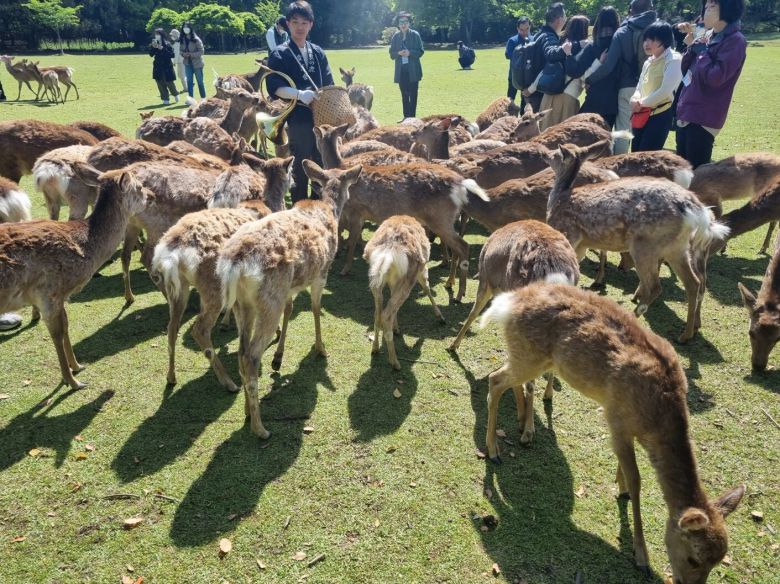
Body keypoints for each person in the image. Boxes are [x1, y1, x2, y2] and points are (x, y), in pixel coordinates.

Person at [266, 1, 334, 203]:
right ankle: (298, 203)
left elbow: (329, 83)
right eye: (295, 22)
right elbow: (274, 86)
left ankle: (318, 203)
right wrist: (299, 94)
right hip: (298, 117)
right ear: (287, 23)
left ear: (311, 24)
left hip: (321, 117)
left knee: (321, 162)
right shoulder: (280, 53)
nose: (300, 26)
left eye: (304, 22)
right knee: (301, 162)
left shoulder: (318, 52)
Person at [675, 0, 747, 168]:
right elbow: (686, 70)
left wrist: (702, 52)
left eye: (712, 7)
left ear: (728, 9)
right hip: (687, 110)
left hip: (703, 115)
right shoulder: (707, 35)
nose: (705, 12)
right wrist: (693, 47)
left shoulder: (735, 40)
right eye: (705, 7)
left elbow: (716, 78)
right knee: (681, 173)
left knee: (697, 177)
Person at [585, 0, 658, 154]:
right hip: (653, 87)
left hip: (627, 86)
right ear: (651, 8)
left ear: (630, 10)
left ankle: (620, 166)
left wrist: (590, 80)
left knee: (624, 131)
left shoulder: (623, 31)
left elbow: (609, 65)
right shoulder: (658, 29)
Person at [630, 21, 683, 151]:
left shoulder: (674, 59)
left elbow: (665, 91)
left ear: (664, 40)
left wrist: (640, 103)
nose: (646, 44)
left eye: (652, 39)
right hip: (641, 114)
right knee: (635, 154)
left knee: (647, 157)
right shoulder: (648, 61)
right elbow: (640, 86)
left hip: (660, 115)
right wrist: (634, 99)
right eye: (645, 39)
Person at [569, 6, 621, 128]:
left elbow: (575, 71)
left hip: (593, 100)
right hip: (613, 101)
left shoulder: (593, 47)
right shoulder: (620, 46)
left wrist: (568, 55)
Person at [544, 14, 591, 129]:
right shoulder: (585, 47)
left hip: (549, 94)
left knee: (545, 134)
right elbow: (583, 74)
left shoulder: (560, 44)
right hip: (568, 96)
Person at [531, 3, 568, 129]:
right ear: (558, 20)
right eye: (565, 17)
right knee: (538, 131)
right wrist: (564, 50)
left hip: (532, 89)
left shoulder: (539, 34)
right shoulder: (549, 36)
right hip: (539, 91)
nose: (566, 20)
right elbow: (551, 54)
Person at [389, 11, 424, 121]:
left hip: (413, 71)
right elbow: (391, 54)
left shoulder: (415, 35)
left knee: (413, 95)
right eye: (401, 22)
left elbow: (421, 51)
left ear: (409, 23)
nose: (403, 24)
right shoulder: (395, 37)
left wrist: (410, 53)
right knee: (404, 95)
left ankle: (412, 118)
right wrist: (398, 53)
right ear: (398, 24)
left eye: (405, 22)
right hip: (401, 72)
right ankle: (406, 117)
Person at [505, 17, 531, 106]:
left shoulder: (533, 39)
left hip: (527, 76)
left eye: (527, 28)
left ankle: (524, 118)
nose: (524, 32)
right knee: (510, 100)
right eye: (522, 29)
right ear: (517, 29)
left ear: (530, 27)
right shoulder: (513, 40)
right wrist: (519, 53)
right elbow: (507, 55)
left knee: (526, 100)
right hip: (514, 75)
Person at [149, 29, 179, 105]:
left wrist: (162, 49)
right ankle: (165, 99)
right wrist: (153, 47)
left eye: (158, 34)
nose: (157, 36)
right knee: (160, 83)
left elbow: (172, 55)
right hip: (157, 67)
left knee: (169, 83)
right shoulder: (154, 43)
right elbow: (151, 54)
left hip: (167, 66)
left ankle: (175, 94)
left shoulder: (167, 44)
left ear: (162, 35)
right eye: (156, 34)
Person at [181, 22, 206, 99]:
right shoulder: (182, 39)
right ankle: (190, 98)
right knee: (189, 82)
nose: (185, 29)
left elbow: (201, 51)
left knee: (200, 82)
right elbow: (180, 50)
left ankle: (203, 98)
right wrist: (184, 54)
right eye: (184, 27)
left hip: (197, 64)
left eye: (187, 27)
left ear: (191, 28)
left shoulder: (196, 39)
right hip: (187, 63)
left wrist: (191, 54)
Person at [169, 28, 186, 95]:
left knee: (181, 75)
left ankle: (186, 88)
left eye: (172, 35)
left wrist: (174, 62)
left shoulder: (178, 42)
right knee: (181, 75)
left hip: (181, 61)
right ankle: (186, 86)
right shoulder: (179, 42)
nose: (171, 36)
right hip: (181, 61)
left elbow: (176, 53)